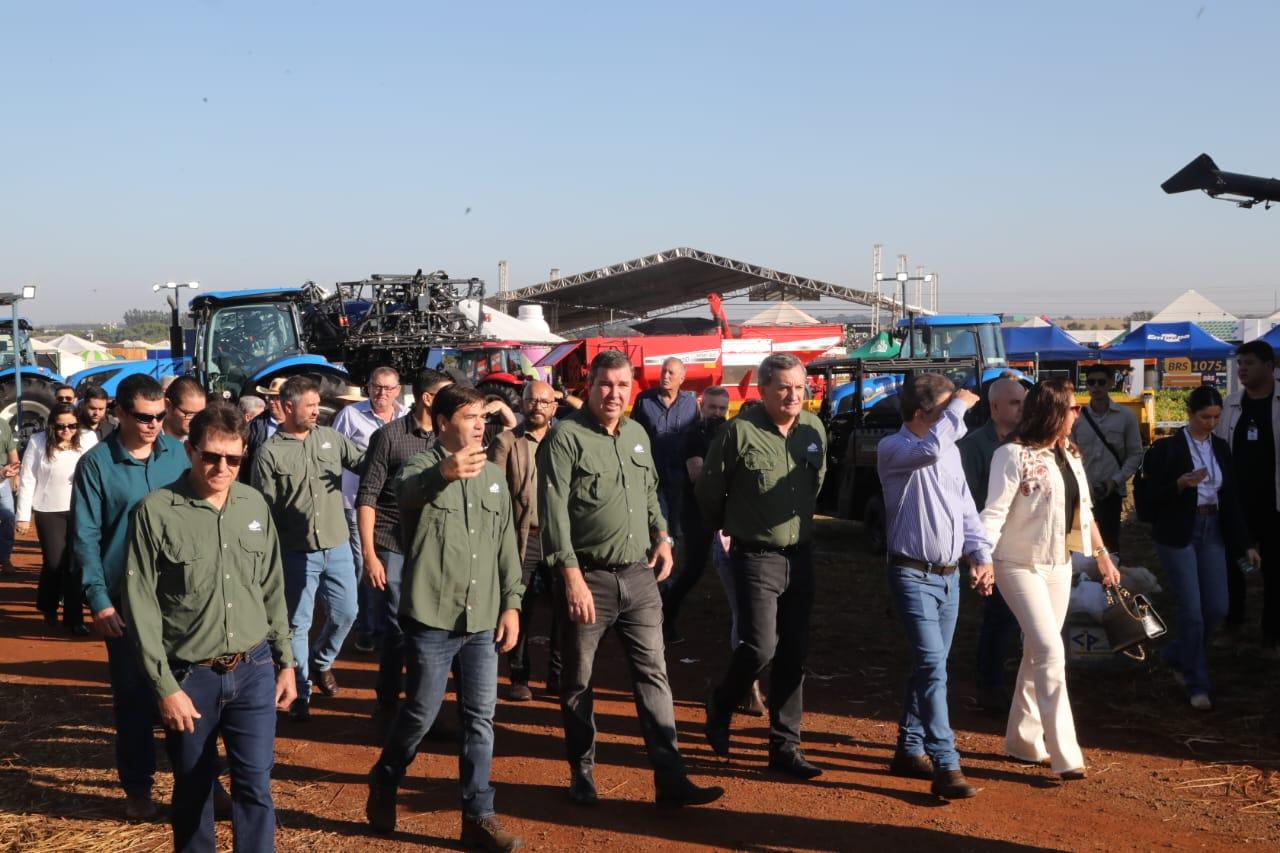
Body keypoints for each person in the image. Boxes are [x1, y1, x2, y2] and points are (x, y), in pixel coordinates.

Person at [539, 349, 722, 809]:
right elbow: (553, 513)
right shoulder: (565, 438)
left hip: (639, 577)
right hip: (588, 579)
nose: (614, 393)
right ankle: (582, 771)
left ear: (632, 389)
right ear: (589, 387)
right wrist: (571, 578)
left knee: (653, 675)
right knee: (579, 680)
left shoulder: (637, 433)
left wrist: (662, 536)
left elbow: (649, 492)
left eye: (623, 385)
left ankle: (670, 778)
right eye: (605, 384)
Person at [122, 403, 296, 852]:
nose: (222, 468)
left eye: (233, 459)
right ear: (190, 450)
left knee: (255, 784)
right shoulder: (155, 512)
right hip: (190, 677)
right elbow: (140, 606)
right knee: (194, 786)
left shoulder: (254, 505)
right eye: (211, 456)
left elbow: (272, 587)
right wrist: (165, 688)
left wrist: (286, 662)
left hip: (254, 668)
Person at [366, 384, 524, 851]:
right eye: (469, 417)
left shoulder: (493, 478)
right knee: (421, 712)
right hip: (432, 617)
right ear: (442, 423)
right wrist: (444, 473)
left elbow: (506, 546)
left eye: (482, 417)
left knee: (480, 719)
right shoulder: (419, 466)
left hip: (482, 618)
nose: (479, 425)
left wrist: (512, 604)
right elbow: (406, 492)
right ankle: (385, 778)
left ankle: (478, 816)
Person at [982, 378, 1121, 775]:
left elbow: (1086, 512)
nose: (1078, 413)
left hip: (1060, 565)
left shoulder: (1070, 454)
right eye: (1073, 407)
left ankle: (1022, 741)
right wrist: (982, 558)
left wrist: (1103, 556)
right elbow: (993, 513)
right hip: (1016, 564)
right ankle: (1065, 755)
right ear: (1054, 412)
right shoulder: (1010, 455)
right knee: (1050, 650)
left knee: (1037, 651)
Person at [699, 356, 826, 779]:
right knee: (760, 646)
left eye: (799, 387)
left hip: (800, 554)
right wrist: (726, 527)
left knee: (795, 651)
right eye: (784, 387)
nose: (793, 395)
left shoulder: (813, 430)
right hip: (755, 554)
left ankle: (785, 746)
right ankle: (722, 702)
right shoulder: (739, 432)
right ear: (764, 389)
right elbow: (710, 489)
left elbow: (816, 482)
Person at [71, 374, 192, 819]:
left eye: (159, 416)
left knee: (189, 690)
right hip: (125, 601)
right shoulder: (96, 465)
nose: (153, 425)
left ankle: (198, 782)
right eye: (143, 417)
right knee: (135, 697)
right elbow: (85, 537)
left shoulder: (177, 454)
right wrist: (98, 599)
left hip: (180, 598)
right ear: (119, 412)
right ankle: (138, 788)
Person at [876, 375, 994, 799]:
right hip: (911, 574)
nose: (956, 418)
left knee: (931, 665)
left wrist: (980, 553)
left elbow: (966, 509)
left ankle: (910, 748)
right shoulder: (894, 448)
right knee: (931, 666)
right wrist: (959, 405)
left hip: (948, 578)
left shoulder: (950, 451)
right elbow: (929, 448)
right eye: (946, 411)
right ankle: (946, 763)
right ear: (920, 414)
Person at [251, 375, 363, 720]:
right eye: (310, 405)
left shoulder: (331, 439)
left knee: (347, 613)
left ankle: (321, 660)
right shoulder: (269, 453)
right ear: (287, 406)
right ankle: (301, 691)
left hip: (337, 544)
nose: (317, 411)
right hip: (295, 550)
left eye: (318, 404)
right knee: (297, 623)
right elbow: (263, 510)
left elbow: (366, 464)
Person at [1145, 386, 1260, 708]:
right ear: (1190, 414)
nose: (1210, 423)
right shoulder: (1167, 448)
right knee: (1192, 610)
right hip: (1178, 531)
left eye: (1215, 418)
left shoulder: (1220, 448)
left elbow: (1231, 499)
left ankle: (1178, 654)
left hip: (1213, 528)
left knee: (1217, 606)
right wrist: (1179, 484)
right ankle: (1196, 680)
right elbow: (1149, 498)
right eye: (1204, 417)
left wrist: (1245, 544)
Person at [357, 368, 451, 727]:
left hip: (435, 547)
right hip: (392, 542)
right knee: (399, 625)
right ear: (428, 398)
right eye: (445, 394)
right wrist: (369, 555)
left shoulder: (449, 438)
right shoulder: (388, 437)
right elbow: (367, 496)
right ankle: (388, 703)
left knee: (431, 625)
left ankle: (423, 707)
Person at [489, 380, 563, 702]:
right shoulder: (506, 441)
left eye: (544, 402)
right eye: (532, 400)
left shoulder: (565, 439)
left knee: (564, 608)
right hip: (523, 537)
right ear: (521, 403)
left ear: (554, 407)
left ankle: (558, 676)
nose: (538, 406)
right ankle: (518, 676)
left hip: (559, 538)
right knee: (520, 606)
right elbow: (494, 491)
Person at [957, 376, 1027, 712]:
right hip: (991, 545)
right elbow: (966, 500)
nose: (1022, 408)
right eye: (1015, 403)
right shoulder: (974, 446)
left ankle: (1007, 683)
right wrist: (975, 551)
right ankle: (990, 688)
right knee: (999, 617)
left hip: (1022, 543)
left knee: (1014, 619)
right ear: (994, 407)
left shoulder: (1027, 443)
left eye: (1024, 402)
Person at [1214, 339, 1280, 657]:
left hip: (1275, 505)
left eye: (1250, 363)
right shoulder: (1230, 405)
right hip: (1238, 506)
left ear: (1270, 366)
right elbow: (1218, 449)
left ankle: (1272, 634)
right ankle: (1234, 624)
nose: (1242, 369)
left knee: (1275, 571)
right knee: (1235, 567)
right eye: (1240, 363)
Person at [332, 369, 405, 653]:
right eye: (376, 387)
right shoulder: (350, 416)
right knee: (364, 563)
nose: (381, 393)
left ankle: (388, 625)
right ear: (368, 387)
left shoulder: (405, 416)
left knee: (390, 566)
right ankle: (366, 628)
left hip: (392, 508)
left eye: (387, 388)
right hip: (355, 502)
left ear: (397, 390)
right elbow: (334, 455)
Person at [661, 386, 730, 647]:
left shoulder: (729, 433)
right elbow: (697, 475)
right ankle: (666, 617)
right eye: (712, 407)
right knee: (694, 569)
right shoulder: (694, 435)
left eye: (722, 408)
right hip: (696, 510)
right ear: (702, 406)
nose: (717, 413)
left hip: (725, 510)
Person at [19, 404, 98, 634]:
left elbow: (97, 471)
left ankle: (75, 620)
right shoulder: (38, 441)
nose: (66, 430)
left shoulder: (88, 438)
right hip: (48, 509)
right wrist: (23, 516)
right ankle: (48, 605)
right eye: (61, 426)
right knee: (54, 563)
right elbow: (28, 478)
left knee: (75, 564)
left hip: (80, 508)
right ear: (52, 425)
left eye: (72, 426)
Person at [1069, 364, 1142, 555]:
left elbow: (1135, 454)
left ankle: (1110, 573)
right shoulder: (1076, 417)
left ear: (1110, 383)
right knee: (1081, 546)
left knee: (1110, 546)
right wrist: (1082, 484)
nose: (1096, 387)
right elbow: (1069, 453)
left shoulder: (1125, 417)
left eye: (1101, 382)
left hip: (1111, 492)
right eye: (1091, 382)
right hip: (1082, 492)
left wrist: (1115, 481)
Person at [630, 357, 699, 539]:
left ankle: (674, 556)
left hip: (680, 481)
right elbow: (633, 436)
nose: (665, 376)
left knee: (677, 531)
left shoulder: (691, 404)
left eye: (671, 373)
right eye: (663, 371)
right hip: (652, 479)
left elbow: (695, 440)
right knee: (655, 529)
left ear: (681, 379)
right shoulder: (644, 400)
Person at [241, 377, 286, 484]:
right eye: (269, 397)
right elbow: (245, 461)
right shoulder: (255, 425)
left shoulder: (297, 424)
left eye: (276, 398)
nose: (271, 402)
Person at [0, 412, 20, 574]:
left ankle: (4, 557)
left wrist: (16, 472)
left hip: (2, 481)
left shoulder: (3, 424)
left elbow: (12, 451)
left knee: (9, 518)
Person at [162, 376, 208, 443]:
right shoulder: (149, 442)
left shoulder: (204, 442)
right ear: (168, 405)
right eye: (190, 414)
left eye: (200, 414)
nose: (196, 420)